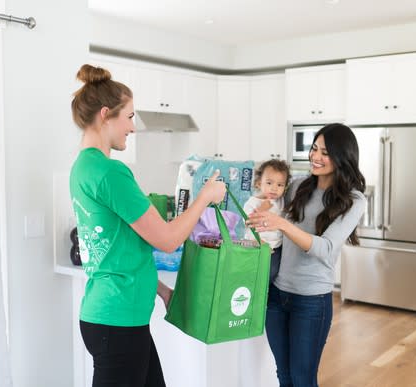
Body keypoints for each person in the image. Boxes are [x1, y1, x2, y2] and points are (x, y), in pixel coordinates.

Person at [69, 64, 226, 387]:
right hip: (118, 321)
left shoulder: (83, 167)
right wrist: (205, 197)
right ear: (105, 115)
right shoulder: (111, 173)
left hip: (113, 316)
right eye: (128, 117)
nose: (133, 127)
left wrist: (161, 289)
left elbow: (117, 248)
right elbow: (167, 240)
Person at [247, 123, 366, 387]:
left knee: (302, 378)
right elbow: (268, 201)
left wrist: (282, 225)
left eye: (325, 152)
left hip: (311, 302)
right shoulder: (298, 186)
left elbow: (325, 248)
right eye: (314, 149)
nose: (316, 156)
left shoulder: (353, 199)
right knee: (284, 375)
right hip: (277, 296)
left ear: (342, 156)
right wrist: (252, 210)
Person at [243, 159, 291, 283]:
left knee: (271, 274)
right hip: (257, 244)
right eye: (269, 183)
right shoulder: (253, 202)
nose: (274, 188)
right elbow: (247, 223)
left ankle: (263, 295)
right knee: (255, 274)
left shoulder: (280, 201)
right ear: (259, 183)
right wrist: (261, 210)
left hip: (276, 247)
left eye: (280, 185)